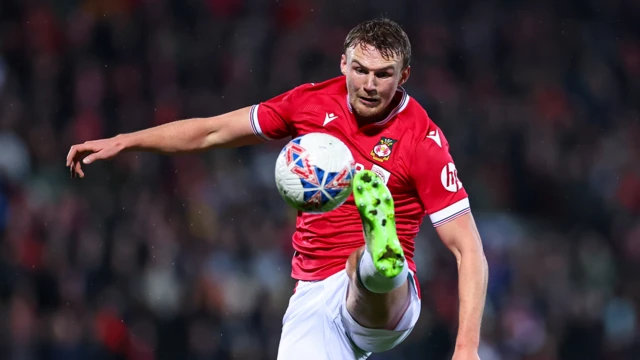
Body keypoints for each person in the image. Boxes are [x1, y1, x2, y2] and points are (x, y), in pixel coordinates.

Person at [67, 18, 488, 360]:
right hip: (312, 292)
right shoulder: (309, 103)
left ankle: (379, 257)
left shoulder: (423, 141)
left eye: (384, 75)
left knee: (368, 276)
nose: (370, 85)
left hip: (388, 307)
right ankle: (373, 261)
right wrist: (125, 140)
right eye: (360, 70)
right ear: (343, 63)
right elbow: (212, 132)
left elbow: (468, 249)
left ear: (405, 75)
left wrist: (466, 348)